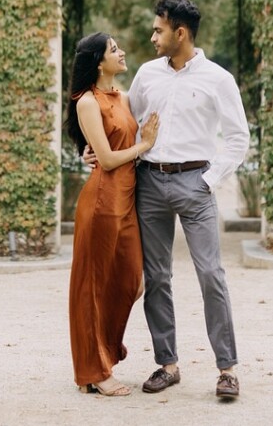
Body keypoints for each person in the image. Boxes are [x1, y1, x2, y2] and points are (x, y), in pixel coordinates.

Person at [93, 0, 250, 401]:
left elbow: (238, 139)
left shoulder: (218, 79)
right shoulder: (147, 74)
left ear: (180, 33)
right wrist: (95, 149)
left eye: (158, 30)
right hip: (149, 183)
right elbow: (127, 122)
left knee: (211, 274)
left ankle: (227, 369)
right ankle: (168, 364)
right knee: (157, 277)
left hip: (196, 184)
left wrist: (208, 180)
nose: (153, 37)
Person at [65, 32, 160, 397]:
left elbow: (106, 145)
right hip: (102, 203)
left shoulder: (122, 97)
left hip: (127, 201)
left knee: (131, 281)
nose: (121, 53)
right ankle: (94, 371)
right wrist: (144, 145)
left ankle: (101, 356)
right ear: (98, 61)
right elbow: (105, 159)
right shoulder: (87, 102)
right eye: (114, 49)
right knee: (93, 288)